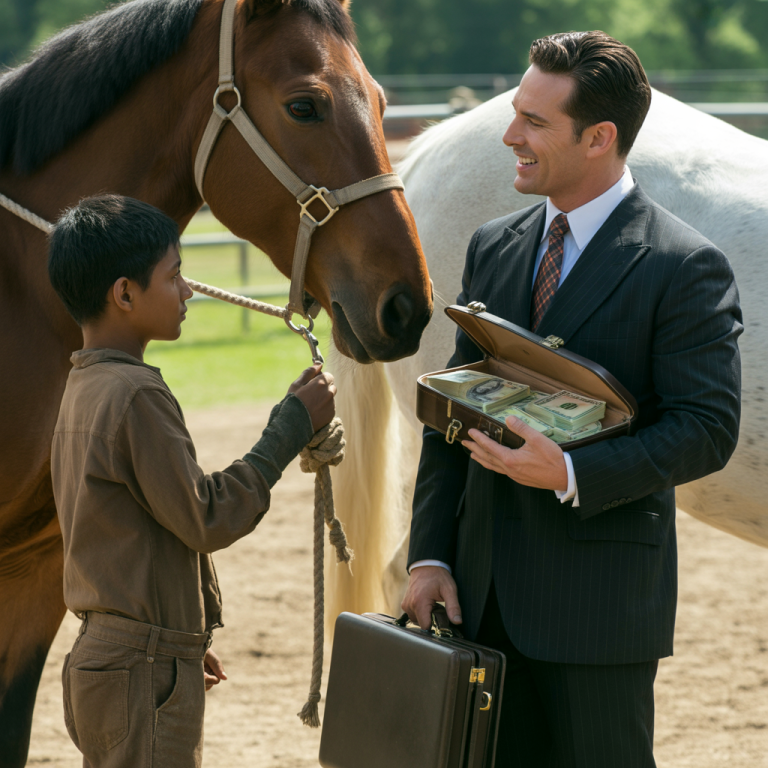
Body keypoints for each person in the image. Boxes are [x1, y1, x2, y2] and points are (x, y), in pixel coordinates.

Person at [402, 31, 742, 767]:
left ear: (599, 138)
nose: (509, 135)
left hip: (601, 612)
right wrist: (429, 556)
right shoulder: (494, 244)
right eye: (516, 112)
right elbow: (450, 410)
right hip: (480, 602)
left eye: (534, 122)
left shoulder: (685, 266)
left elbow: (707, 429)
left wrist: (572, 476)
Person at [48, 194, 336, 768]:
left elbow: (143, 527)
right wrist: (290, 427)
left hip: (111, 657)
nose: (189, 292)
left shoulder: (85, 386)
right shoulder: (136, 395)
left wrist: (181, 638)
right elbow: (205, 516)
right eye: (175, 277)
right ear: (125, 293)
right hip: (140, 669)